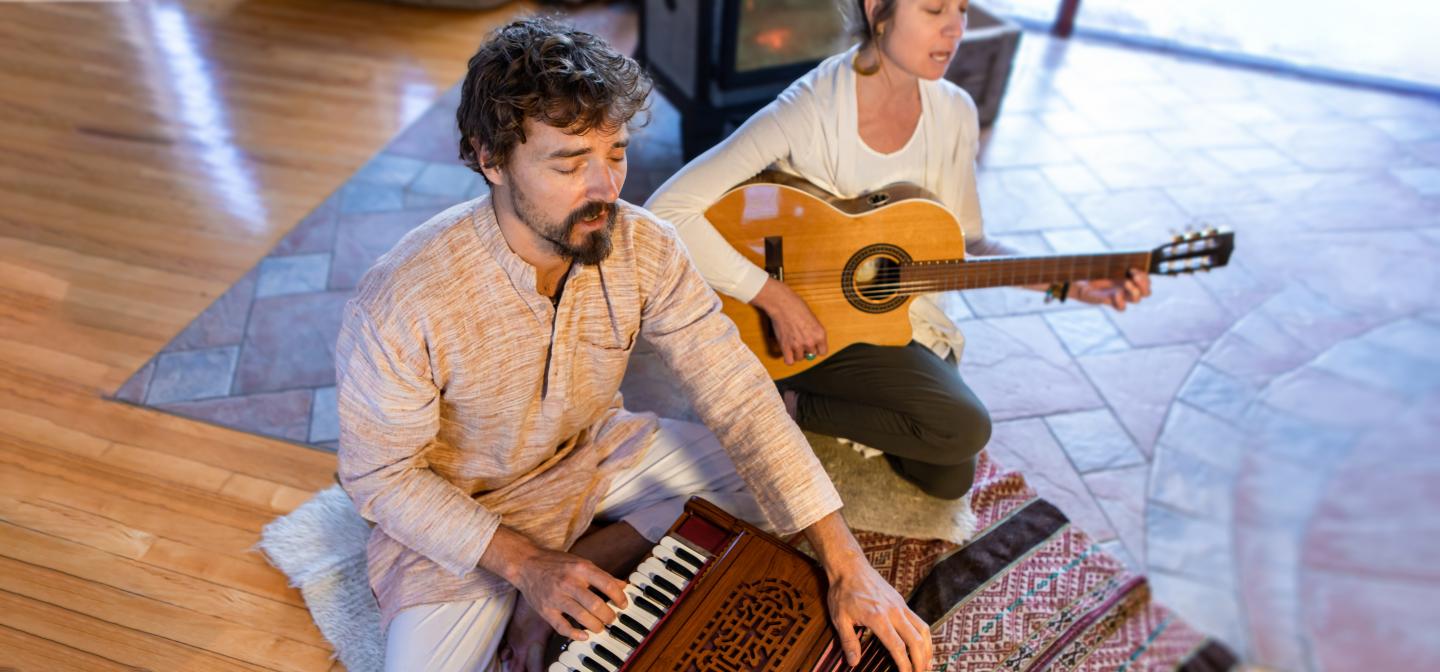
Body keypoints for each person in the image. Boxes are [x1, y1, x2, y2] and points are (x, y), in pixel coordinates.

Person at [335, 18, 932, 672]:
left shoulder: (646, 246)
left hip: (594, 455)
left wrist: (848, 567)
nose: (606, 190)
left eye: (615, 154)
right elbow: (380, 477)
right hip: (466, 507)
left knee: (780, 490)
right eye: (570, 164)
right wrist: (528, 565)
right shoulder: (403, 298)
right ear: (491, 159)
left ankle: (591, 553)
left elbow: (737, 395)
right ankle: (545, 577)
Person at [646, 0, 1150, 501]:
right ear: (877, 10)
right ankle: (788, 394)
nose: (955, 29)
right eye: (934, 10)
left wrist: (1072, 283)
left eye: (961, 9)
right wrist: (775, 297)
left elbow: (970, 243)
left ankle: (788, 402)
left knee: (948, 476)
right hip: (798, 324)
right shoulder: (811, 108)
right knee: (965, 426)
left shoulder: (954, 111)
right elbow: (668, 209)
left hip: (894, 318)